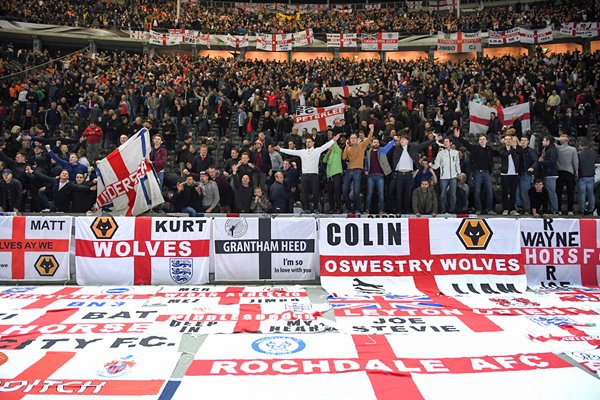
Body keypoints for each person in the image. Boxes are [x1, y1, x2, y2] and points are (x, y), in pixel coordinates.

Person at [275, 132, 341, 213]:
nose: (307, 143)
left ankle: (316, 208)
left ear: (313, 143)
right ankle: (306, 208)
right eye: (306, 142)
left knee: (315, 192)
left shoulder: (317, 150)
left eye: (309, 142)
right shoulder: (302, 152)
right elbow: (291, 152)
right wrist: (280, 149)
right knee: (305, 193)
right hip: (304, 175)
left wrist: (333, 141)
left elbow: (325, 146)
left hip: (314, 175)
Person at [390, 133, 439, 214]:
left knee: (408, 194)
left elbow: (424, 145)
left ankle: (407, 211)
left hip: (409, 174)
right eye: (401, 139)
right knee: (398, 194)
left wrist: (434, 140)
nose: (402, 140)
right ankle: (398, 211)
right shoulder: (396, 148)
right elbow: (386, 147)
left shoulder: (412, 148)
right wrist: (393, 140)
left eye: (404, 139)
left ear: (408, 141)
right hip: (399, 174)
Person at [453, 131, 497, 215]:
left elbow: (499, 153)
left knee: (490, 191)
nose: (482, 141)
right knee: (477, 191)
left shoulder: (489, 149)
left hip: (487, 172)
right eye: (480, 139)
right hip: (477, 173)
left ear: (487, 141)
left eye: (483, 139)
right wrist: (458, 137)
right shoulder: (475, 148)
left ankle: (490, 209)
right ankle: (478, 209)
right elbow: (466, 144)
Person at [342, 125, 374, 214]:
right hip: (349, 170)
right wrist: (346, 146)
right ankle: (348, 208)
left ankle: (356, 209)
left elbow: (368, 139)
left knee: (356, 191)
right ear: (349, 140)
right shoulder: (348, 148)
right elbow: (344, 157)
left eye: (354, 138)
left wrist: (371, 130)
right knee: (345, 191)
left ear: (357, 139)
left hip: (358, 170)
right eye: (351, 138)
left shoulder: (361, 146)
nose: (353, 139)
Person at [364, 136, 396, 214]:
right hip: (370, 175)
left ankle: (381, 210)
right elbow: (367, 162)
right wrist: (365, 169)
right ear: (371, 143)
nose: (376, 143)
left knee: (381, 193)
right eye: (374, 142)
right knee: (369, 193)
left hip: (380, 175)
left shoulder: (382, 150)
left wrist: (394, 140)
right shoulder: (368, 152)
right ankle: (367, 210)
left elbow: (388, 146)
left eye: (377, 142)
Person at [432, 137, 460, 214]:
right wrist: (432, 165)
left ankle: (452, 210)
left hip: (453, 177)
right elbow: (436, 165)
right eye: (444, 142)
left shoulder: (455, 152)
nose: (445, 143)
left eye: (447, 141)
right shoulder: (440, 153)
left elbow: (457, 163)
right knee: (442, 195)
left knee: (453, 195)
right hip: (443, 177)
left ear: (450, 143)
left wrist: (459, 173)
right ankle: (443, 210)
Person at [555, 133, 578, 216]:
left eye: (563, 138)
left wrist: (576, 170)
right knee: (560, 192)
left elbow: (575, 161)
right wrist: (576, 170)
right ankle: (564, 210)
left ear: (567, 140)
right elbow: (550, 139)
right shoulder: (557, 147)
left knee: (568, 192)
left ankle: (567, 210)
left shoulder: (572, 149)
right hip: (561, 171)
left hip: (567, 172)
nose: (561, 139)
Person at [498, 135, 521, 216]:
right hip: (505, 174)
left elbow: (521, 152)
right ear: (504, 141)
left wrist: (516, 146)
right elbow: (505, 154)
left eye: (509, 139)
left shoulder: (515, 149)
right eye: (506, 139)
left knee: (513, 192)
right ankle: (505, 209)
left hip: (514, 173)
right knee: (505, 192)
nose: (508, 141)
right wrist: (513, 149)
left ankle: (512, 209)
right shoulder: (501, 149)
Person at [539, 135, 559, 214]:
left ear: (548, 141)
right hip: (548, 172)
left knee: (551, 192)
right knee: (549, 192)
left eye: (544, 140)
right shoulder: (547, 149)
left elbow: (552, 161)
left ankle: (554, 209)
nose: (542, 142)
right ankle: (552, 208)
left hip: (550, 173)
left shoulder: (552, 150)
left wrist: (541, 162)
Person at [577, 139, 596, 215]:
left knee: (582, 194)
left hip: (582, 176)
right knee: (591, 193)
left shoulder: (579, 154)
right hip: (591, 175)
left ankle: (581, 210)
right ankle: (591, 210)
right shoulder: (593, 153)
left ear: (581, 145)